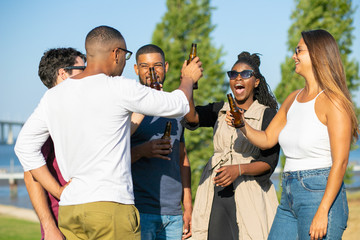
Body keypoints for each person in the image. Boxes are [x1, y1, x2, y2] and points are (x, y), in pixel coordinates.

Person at [15, 25, 203, 240]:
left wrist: (58, 191)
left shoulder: (54, 96)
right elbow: (178, 104)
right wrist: (187, 78)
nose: (124, 62)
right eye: (125, 55)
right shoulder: (118, 87)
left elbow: (24, 147)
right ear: (116, 53)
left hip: (71, 209)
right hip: (111, 208)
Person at [229, 30, 359, 240]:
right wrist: (241, 124)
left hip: (319, 193)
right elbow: (267, 139)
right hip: (289, 193)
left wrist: (323, 210)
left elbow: (341, 162)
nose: (293, 56)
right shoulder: (293, 99)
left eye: (299, 50)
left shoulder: (334, 102)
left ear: (317, 54)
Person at [183, 51, 280, 239]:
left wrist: (238, 169)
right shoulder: (220, 109)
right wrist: (189, 84)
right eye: (233, 74)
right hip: (215, 194)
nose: (238, 78)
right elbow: (191, 117)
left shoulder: (267, 114)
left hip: (249, 194)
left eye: (245, 74)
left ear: (256, 81)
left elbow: (269, 162)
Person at [131, 44, 192, 240]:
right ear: (135, 69)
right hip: (140, 210)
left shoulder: (174, 106)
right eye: (144, 66)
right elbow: (112, 156)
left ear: (165, 67)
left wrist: (188, 205)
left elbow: (182, 159)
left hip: (173, 214)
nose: (151, 71)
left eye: (157, 65)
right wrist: (143, 150)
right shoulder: (128, 108)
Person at [24, 47, 86, 240]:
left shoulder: (75, 113)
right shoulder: (47, 118)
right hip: (63, 226)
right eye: (82, 69)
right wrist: (50, 227)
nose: (88, 74)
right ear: (63, 74)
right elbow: (30, 174)